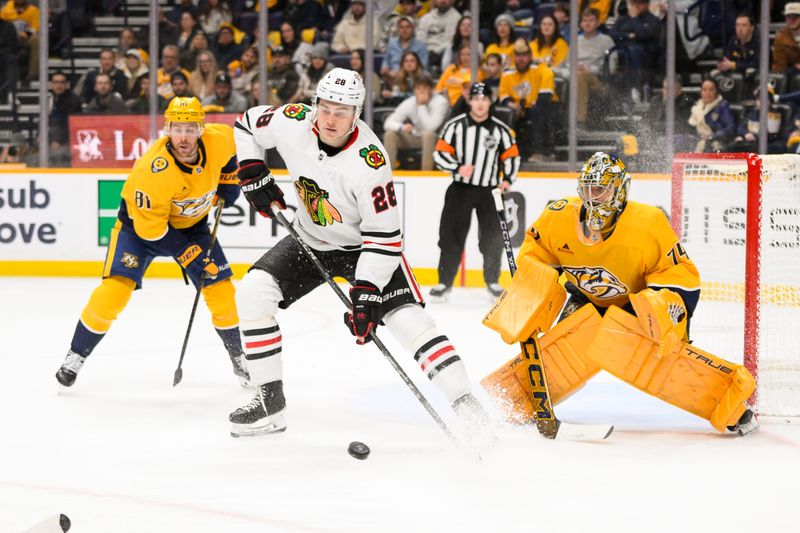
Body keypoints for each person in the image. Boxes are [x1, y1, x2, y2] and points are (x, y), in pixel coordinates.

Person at [228, 68, 493, 439]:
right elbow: (246, 123)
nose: (331, 118)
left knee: (407, 323)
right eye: (326, 107)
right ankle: (270, 403)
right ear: (314, 103)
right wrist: (253, 170)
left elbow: (384, 238)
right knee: (254, 290)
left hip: (365, 249)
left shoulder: (370, 163)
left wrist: (367, 293)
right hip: (311, 238)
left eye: (343, 110)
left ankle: (468, 408)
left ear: (358, 113)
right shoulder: (293, 121)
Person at [480, 151, 758, 437]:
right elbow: (536, 258)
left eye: (600, 189)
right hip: (584, 302)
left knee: (656, 360)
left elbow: (682, 279)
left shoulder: (648, 223)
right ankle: (502, 403)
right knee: (563, 352)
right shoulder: (558, 216)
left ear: (620, 190)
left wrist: (663, 310)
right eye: (587, 189)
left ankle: (733, 406)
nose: (593, 197)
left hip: (634, 309)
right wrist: (528, 296)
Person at [55, 97, 249, 388]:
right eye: (177, 128)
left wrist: (229, 179)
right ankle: (76, 355)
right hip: (138, 232)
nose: (184, 137)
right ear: (166, 129)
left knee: (222, 291)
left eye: (190, 129)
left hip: (193, 226)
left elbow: (235, 151)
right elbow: (152, 230)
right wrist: (186, 253)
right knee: (114, 292)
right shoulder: (152, 171)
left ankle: (239, 357)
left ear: (201, 129)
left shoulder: (219, 139)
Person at [428, 82, 520, 301]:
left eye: (484, 99)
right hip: (460, 189)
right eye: (476, 99)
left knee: (492, 237)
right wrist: (457, 167)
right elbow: (439, 153)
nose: (480, 104)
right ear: (470, 101)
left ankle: (493, 282)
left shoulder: (501, 130)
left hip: (489, 190)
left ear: (490, 102)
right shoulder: (455, 126)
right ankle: (444, 283)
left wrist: (507, 179)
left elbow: (512, 156)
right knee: (450, 236)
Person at [499, 38, 555, 160]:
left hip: (535, 107)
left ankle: (539, 152)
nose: (521, 59)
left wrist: (536, 101)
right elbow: (503, 94)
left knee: (538, 110)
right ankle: (505, 152)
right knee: (503, 113)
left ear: (530, 56)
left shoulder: (538, 68)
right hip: (516, 109)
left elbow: (548, 80)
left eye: (524, 55)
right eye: (518, 55)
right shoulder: (507, 73)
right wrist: (511, 104)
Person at [383, 73, 448, 170]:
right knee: (390, 134)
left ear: (431, 89)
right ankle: (388, 174)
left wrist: (421, 105)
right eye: (418, 88)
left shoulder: (441, 101)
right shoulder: (410, 102)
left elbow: (430, 128)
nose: (421, 91)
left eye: (424, 87)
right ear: (414, 90)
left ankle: (426, 175)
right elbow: (388, 123)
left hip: (438, 139)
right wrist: (402, 127)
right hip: (417, 137)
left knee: (428, 134)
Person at [574, 8, 616, 126]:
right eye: (585, 20)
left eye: (591, 20)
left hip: (598, 80)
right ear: (581, 23)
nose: (587, 23)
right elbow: (566, 63)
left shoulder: (606, 41)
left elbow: (612, 68)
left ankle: (581, 121)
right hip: (575, 75)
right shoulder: (575, 41)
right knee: (578, 76)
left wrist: (589, 70)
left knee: (581, 76)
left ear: (597, 23)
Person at [688, 78, 736, 153]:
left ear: (716, 91)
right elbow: (690, 128)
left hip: (716, 141)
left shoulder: (722, 107)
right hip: (697, 140)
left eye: (711, 90)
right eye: (704, 90)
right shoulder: (696, 108)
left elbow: (731, 127)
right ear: (700, 92)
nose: (708, 93)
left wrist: (712, 136)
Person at [712, 12, 759, 81]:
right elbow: (728, 56)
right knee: (712, 74)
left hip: (754, 75)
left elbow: (756, 64)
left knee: (750, 72)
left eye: (744, 25)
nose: (740, 29)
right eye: (737, 25)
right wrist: (722, 63)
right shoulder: (733, 40)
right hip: (737, 73)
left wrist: (734, 65)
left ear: (752, 28)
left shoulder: (759, 41)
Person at [381, 15, 429, 80]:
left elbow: (423, 66)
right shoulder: (392, 43)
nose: (404, 30)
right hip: (392, 78)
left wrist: (401, 72)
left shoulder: (421, 46)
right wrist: (385, 67)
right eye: (401, 27)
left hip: (413, 78)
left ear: (413, 28)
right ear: (398, 29)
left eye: (407, 27)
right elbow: (386, 60)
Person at [417, 0, 461, 68]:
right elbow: (420, 38)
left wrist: (436, 51)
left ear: (452, 1)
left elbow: (451, 40)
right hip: (426, 51)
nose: (443, 1)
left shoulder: (457, 18)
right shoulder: (426, 18)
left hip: (443, 52)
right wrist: (426, 51)